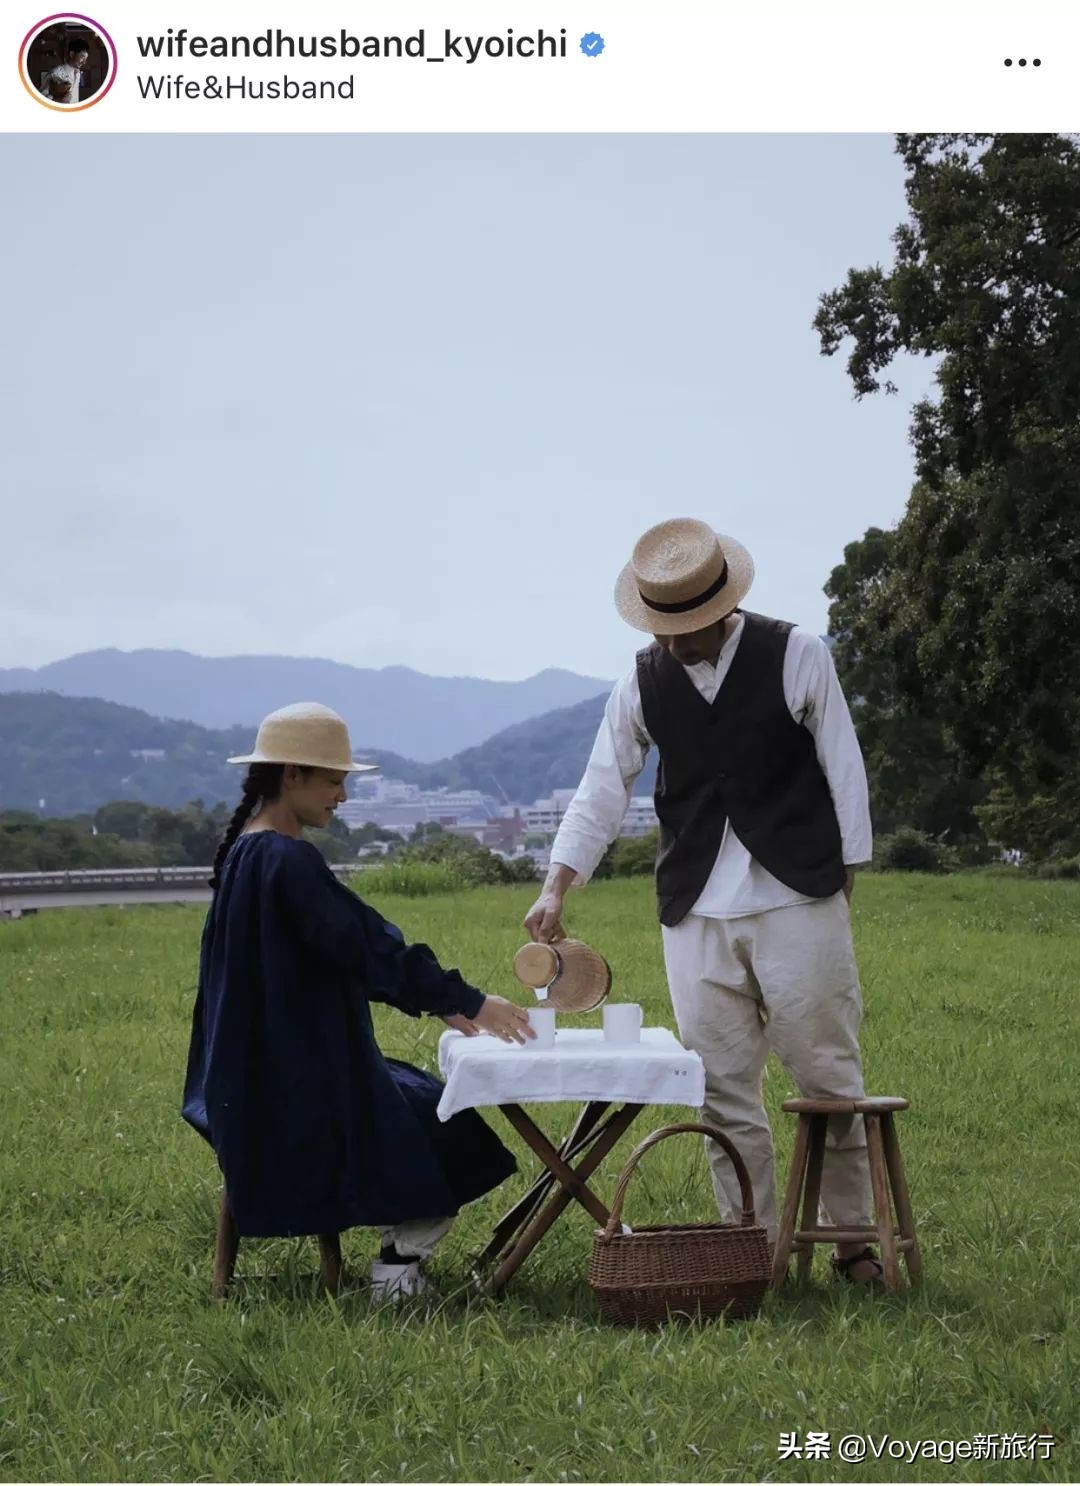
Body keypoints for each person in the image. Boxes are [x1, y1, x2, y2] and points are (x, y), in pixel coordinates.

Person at [524, 518, 883, 1285]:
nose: (679, 642)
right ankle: (747, 1246)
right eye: (666, 627)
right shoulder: (641, 680)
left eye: (689, 625)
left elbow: (843, 765)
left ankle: (852, 1244)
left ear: (725, 603)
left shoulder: (797, 653)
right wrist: (559, 884)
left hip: (797, 897)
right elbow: (601, 787)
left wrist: (843, 875)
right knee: (721, 1087)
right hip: (692, 909)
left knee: (828, 1076)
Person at [182, 701, 533, 1299]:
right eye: (334, 780)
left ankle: (399, 1259)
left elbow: (347, 953)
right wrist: (470, 1001)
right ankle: (398, 1267)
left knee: (419, 1095)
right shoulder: (286, 860)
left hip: (249, 1081)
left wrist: (441, 1001)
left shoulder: (245, 852)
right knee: (453, 1127)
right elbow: (369, 947)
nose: (342, 796)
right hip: (299, 1086)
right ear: (291, 775)